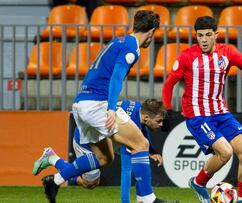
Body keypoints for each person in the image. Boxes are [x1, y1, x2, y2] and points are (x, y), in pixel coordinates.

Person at [32, 10, 173, 203]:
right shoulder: (132, 48)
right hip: (98, 104)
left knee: (105, 158)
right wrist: (112, 109)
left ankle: (55, 180)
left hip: (81, 104)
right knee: (141, 144)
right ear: (151, 31)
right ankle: (146, 198)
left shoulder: (118, 41)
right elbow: (116, 77)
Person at [162, 16, 242, 203]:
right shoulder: (187, 56)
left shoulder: (227, 52)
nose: (203, 40)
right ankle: (198, 182)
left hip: (220, 112)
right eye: (200, 35)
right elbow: (168, 84)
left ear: (216, 35)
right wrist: (168, 109)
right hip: (197, 115)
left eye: (207, 35)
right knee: (226, 152)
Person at [34, 99, 166, 202]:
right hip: (86, 142)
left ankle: (53, 160)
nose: (161, 125)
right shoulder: (130, 125)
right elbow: (126, 170)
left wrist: (152, 151)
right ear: (147, 118)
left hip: (95, 138)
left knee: (92, 182)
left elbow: (141, 130)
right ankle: (53, 160)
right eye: (159, 121)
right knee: (89, 183)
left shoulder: (137, 108)